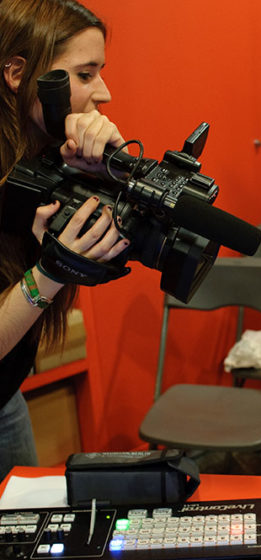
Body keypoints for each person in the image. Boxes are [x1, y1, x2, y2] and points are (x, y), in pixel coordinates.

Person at [0, 0, 130, 481]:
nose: (105, 93)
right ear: (18, 73)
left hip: (6, 392)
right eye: (85, 74)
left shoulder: (39, 151)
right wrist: (51, 271)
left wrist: (106, 172)